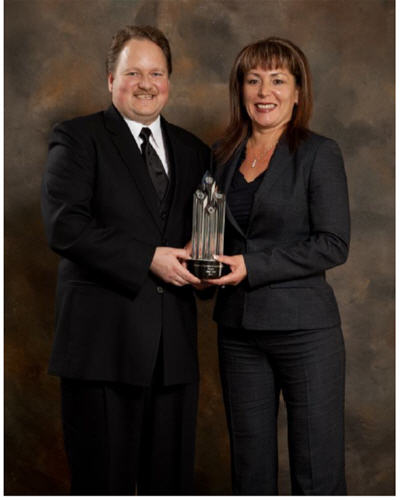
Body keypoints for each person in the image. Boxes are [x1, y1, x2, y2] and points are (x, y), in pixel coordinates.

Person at [41, 25, 210, 495]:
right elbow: (65, 226)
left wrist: (205, 272)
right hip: (102, 349)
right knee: (103, 485)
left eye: (156, 73)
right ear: (111, 79)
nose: (145, 84)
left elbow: (202, 236)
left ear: (169, 81)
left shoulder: (195, 151)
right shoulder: (77, 138)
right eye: (133, 72)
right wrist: (147, 258)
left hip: (173, 355)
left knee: (170, 486)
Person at [207, 37, 350, 495]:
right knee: (250, 472)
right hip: (238, 331)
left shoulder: (319, 153)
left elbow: (333, 245)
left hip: (305, 332)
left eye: (277, 80)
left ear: (297, 92)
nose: (264, 92)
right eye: (253, 80)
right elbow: (212, 233)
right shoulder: (221, 154)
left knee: (316, 470)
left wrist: (251, 266)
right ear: (240, 90)